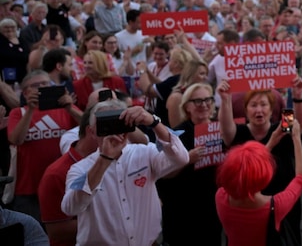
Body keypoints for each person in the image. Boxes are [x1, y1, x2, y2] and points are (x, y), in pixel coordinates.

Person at [61, 100, 190, 246]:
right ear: (91, 132)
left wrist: (154, 123)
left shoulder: (144, 152)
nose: (113, 132)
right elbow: (70, 208)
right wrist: (105, 159)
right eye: (105, 125)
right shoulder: (80, 168)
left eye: (118, 124)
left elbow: (181, 158)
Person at [8, 71, 81, 221]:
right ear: (25, 92)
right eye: (36, 85)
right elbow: (16, 140)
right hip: (29, 188)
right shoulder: (18, 113)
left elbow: (90, 128)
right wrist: (31, 110)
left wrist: (70, 108)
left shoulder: (65, 110)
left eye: (45, 84)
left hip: (63, 183)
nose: (42, 88)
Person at [156, 83, 222, 246]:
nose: (204, 105)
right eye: (198, 101)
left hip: (211, 207)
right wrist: (186, 159)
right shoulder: (177, 135)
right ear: (187, 107)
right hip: (182, 209)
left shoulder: (220, 129)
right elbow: (162, 174)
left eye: (208, 100)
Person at [215, 136, 302, 246]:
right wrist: (296, 138)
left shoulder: (221, 197)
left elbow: (246, 169)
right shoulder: (275, 206)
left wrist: (271, 142)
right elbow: (300, 178)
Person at [38, 109, 95, 246]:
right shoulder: (56, 173)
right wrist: (113, 221)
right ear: (91, 131)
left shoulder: (119, 162)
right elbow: (57, 230)